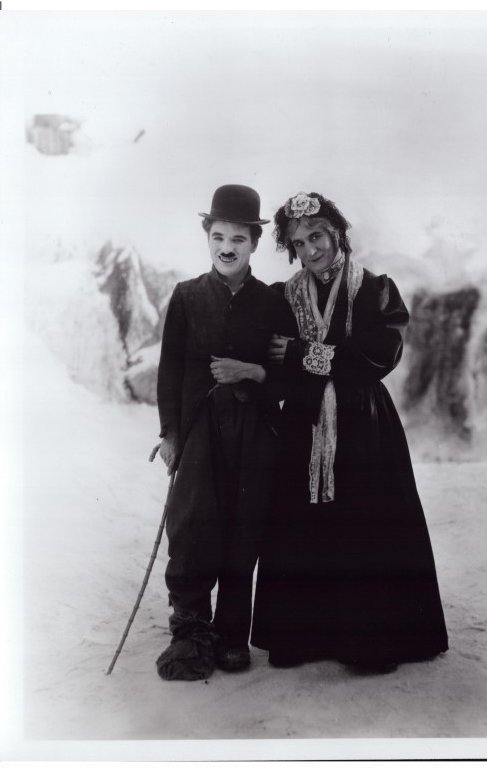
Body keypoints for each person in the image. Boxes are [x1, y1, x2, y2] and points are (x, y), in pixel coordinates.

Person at [251, 192, 449, 673]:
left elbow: (378, 356)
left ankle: (369, 640)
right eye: (299, 243)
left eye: (316, 236)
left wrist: (302, 353)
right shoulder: (285, 296)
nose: (310, 250)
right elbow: (274, 356)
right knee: (302, 522)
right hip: (304, 423)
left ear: (337, 233)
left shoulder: (375, 290)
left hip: (363, 423)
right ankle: (303, 637)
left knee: (365, 521)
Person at [155, 184, 296, 681]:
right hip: (199, 431)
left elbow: (287, 377)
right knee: (193, 525)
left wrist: (251, 372)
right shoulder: (187, 296)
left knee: (244, 527)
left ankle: (233, 634)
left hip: (254, 433)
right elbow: (170, 371)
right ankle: (191, 631)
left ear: (254, 243)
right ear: (208, 238)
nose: (227, 247)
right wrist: (170, 434)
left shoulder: (273, 303)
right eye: (218, 236)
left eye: (238, 238)